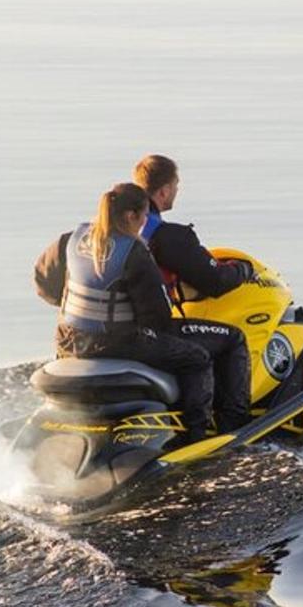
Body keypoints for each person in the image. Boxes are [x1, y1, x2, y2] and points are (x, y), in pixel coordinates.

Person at [33, 183, 215, 443]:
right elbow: (158, 316)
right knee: (198, 358)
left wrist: (81, 312)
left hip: (68, 342)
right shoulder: (133, 251)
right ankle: (196, 436)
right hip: (116, 345)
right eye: (143, 217)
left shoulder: (71, 239)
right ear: (132, 216)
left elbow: (43, 283)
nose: (143, 224)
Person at [132, 154, 252, 433]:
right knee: (232, 339)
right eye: (176, 185)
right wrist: (242, 270)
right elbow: (215, 281)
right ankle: (232, 427)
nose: (176, 191)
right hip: (149, 333)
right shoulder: (168, 236)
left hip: (100, 330)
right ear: (164, 191)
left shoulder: (106, 232)